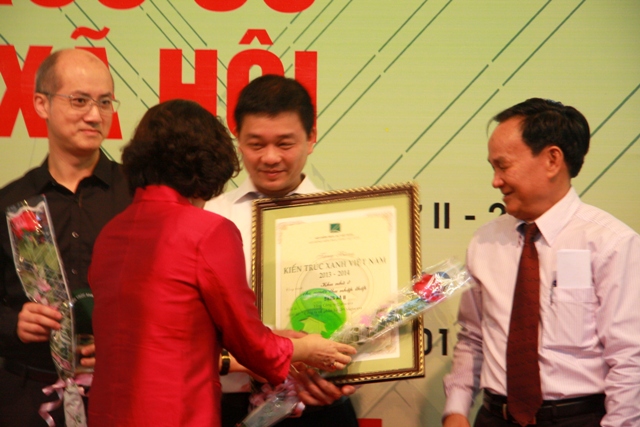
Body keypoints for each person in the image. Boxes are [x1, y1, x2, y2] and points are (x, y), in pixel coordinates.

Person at [87, 99, 356, 427]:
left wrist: (276, 337)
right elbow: (252, 344)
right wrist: (306, 348)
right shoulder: (208, 230)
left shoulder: (110, 232)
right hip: (176, 412)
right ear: (207, 160)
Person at [442, 98, 640, 427]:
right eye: (492, 168)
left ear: (552, 160)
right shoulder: (485, 242)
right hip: (494, 417)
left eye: (503, 166)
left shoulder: (611, 244)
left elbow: (630, 358)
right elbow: (473, 337)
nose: (495, 181)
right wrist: (456, 410)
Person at [206, 75, 360, 427]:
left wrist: (347, 379)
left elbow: (365, 318)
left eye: (285, 143)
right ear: (238, 138)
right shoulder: (210, 218)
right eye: (256, 144)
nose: (270, 157)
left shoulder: (347, 221)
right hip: (230, 405)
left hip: (321, 405)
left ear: (311, 136)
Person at [0, 49, 131, 426]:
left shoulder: (137, 195)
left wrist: (125, 339)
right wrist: (13, 323)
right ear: (41, 104)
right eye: (79, 100)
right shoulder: (11, 203)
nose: (95, 115)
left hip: (121, 395)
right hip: (26, 398)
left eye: (104, 102)